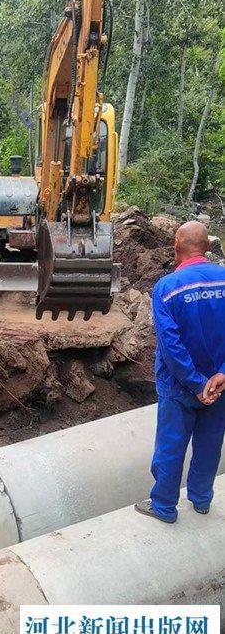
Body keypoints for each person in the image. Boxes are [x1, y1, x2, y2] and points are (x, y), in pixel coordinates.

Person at [135, 221, 225, 523]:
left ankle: (163, 506)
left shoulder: (166, 288)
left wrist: (196, 383)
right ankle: (201, 500)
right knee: (210, 444)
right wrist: (220, 375)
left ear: (176, 244)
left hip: (180, 386)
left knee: (171, 445)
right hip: (220, 386)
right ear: (208, 248)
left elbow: (170, 344)